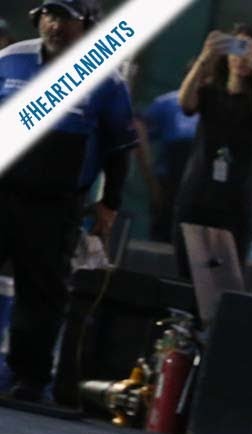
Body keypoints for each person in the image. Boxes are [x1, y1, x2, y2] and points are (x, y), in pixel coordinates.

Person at [0, 0, 135, 402]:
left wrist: (109, 203)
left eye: (65, 18)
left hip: (56, 205)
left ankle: (30, 380)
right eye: (49, 15)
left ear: (87, 24)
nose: (55, 25)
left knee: (41, 294)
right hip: (3, 191)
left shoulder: (105, 79)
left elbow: (120, 147)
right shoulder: (10, 58)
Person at [171, 23, 252, 278]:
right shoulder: (210, 92)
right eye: (236, 48)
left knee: (226, 277)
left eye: (248, 51)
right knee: (186, 274)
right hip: (198, 192)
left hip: (234, 201)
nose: (241, 59)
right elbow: (185, 103)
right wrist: (205, 58)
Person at [140, 84, 199, 248]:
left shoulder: (220, 105)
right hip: (170, 181)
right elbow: (139, 127)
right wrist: (151, 180)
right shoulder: (168, 103)